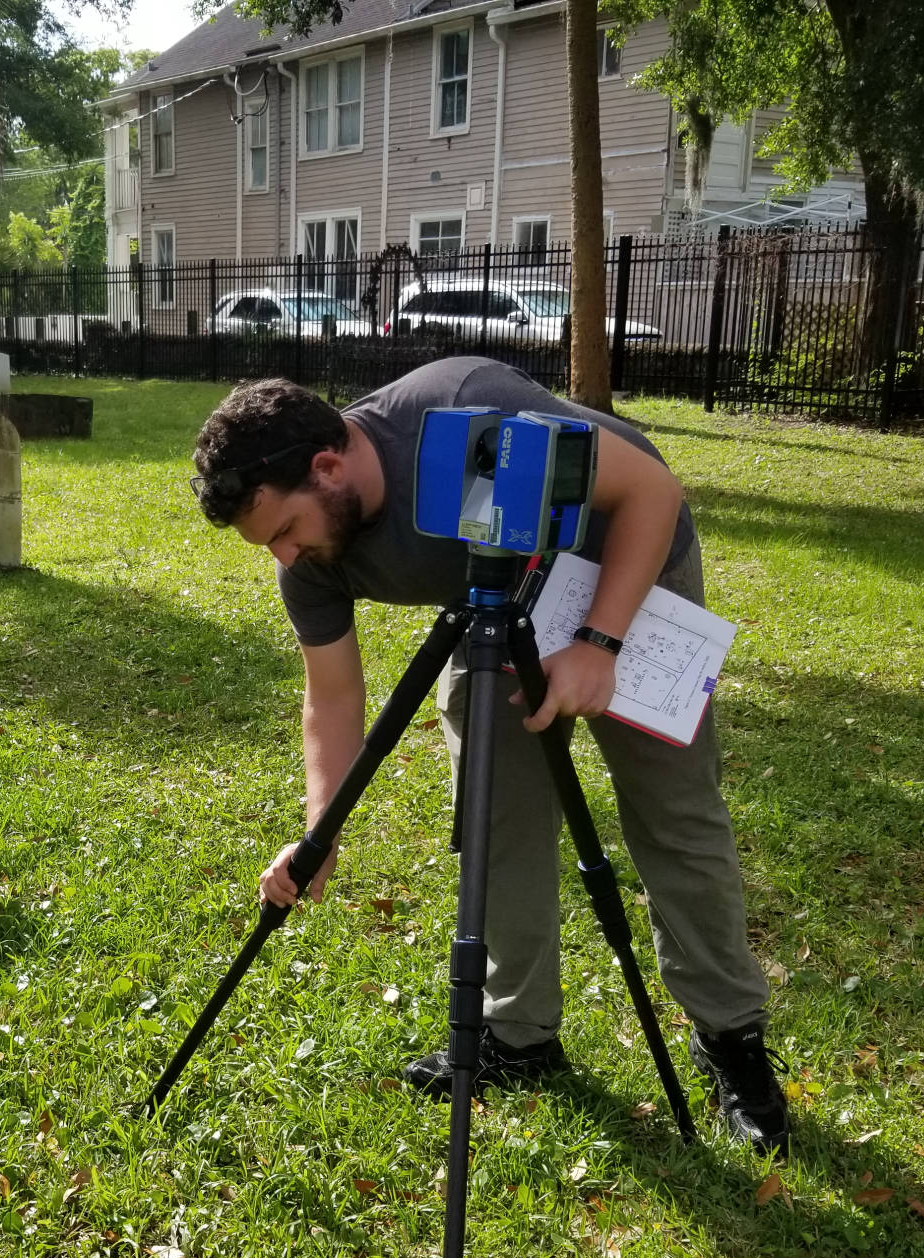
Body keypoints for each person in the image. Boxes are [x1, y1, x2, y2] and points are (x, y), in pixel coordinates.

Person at [189, 357, 789, 1152]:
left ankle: (733, 1044)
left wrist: (600, 644)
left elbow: (651, 489)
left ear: (327, 466)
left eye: (286, 531)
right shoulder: (308, 561)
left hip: (628, 561)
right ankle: (520, 1035)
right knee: (495, 814)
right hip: (503, 603)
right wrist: (319, 832)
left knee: (673, 812)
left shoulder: (470, 409)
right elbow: (332, 697)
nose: (286, 558)